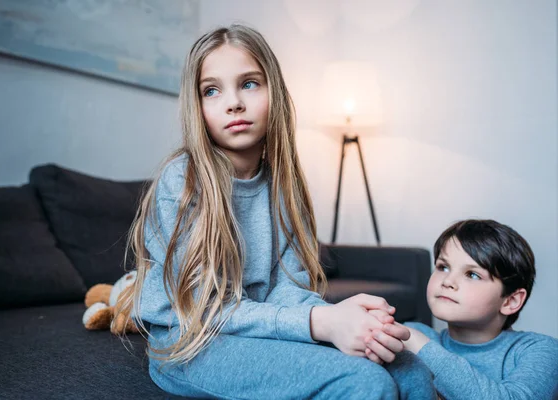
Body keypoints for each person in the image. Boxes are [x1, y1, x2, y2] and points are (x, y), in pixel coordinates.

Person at [115, 24, 436, 399]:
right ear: (197, 107)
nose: (233, 102)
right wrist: (320, 322)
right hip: (192, 342)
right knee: (363, 381)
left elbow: (288, 288)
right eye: (212, 90)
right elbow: (203, 310)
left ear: (275, 93)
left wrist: (347, 318)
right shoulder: (182, 182)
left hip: (255, 328)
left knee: (408, 367)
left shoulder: (283, 186)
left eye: (249, 83)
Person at [399, 219, 558, 399]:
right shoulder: (412, 334)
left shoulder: (540, 351)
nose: (448, 281)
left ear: (510, 301)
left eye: (472, 274)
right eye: (443, 267)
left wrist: (420, 346)